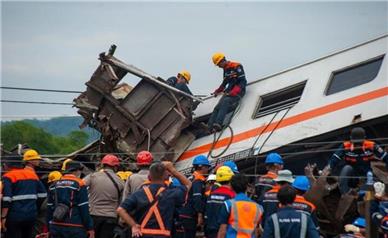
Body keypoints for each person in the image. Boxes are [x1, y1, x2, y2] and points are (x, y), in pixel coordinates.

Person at [117, 161, 191, 238]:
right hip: (163, 235)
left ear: (149, 176)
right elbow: (189, 185)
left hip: (142, 234)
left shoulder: (139, 193)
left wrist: (134, 225)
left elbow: (120, 210)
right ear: (165, 176)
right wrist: (173, 170)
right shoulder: (171, 193)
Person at [328, 127, 388, 194]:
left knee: (374, 181)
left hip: (366, 174)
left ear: (364, 138)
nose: (358, 145)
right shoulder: (345, 146)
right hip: (352, 176)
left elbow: (385, 157)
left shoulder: (372, 145)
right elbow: (334, 158)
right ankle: (345, 194)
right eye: (355, 143)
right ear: (351, 139)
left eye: (359, 143)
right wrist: (327, 169)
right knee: (346, 168)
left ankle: (364, 193)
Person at [1, 153, 47, 238]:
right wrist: (34, 206)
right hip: (31, 215)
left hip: (14, 216)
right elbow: (43, 194)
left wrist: (3, 217)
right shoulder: (32, 175)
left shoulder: (8, 176)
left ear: (6, 165)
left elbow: (7, 198)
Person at [47, 161, 94, 238]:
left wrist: (48, 229)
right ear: (76, 171)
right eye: (80, 170)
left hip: (55, 226)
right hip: (75, 227)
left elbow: (49, 209)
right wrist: (90, 228)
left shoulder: (53, 185)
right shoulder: (80, 184)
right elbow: (84, 208)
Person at [83, 154, 124, 238]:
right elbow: (122, 202)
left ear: (102, 165)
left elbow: (79, 186)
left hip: (93, 216)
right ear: (115, 167)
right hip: (111, 217)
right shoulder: (120, 181)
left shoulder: (92, 176)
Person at [207, 52, 247, 132]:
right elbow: (225, 82)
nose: (218, 66)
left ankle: (218, 124)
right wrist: (217, 91)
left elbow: (243, 81)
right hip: (229, 92)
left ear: (222, 60)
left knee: (225, 101)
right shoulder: (225, 70)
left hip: (239, 91)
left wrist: (234, 91)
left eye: (219, 64)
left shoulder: (236, 66)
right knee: (217, 108)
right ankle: (209, 127)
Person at [217, 174, 263, 238]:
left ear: (231, 186)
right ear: (247, 187)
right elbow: (256, 231)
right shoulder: (258, 207)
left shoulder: (228, 205)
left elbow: (222, 231)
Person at [180, 155, 211, 238]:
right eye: (207, 167)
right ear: (201, 167)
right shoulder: (198, 181)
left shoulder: (192, 178)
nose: (208, 169)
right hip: (190, 215)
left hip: (185, 213)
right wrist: (200, 216)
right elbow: (197, 199)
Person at [205, 166, 236, 238]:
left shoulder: (211, 194)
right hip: (224, 231)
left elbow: (207, 212)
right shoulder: (232, 195)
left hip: (210, 230)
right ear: (231, 179)